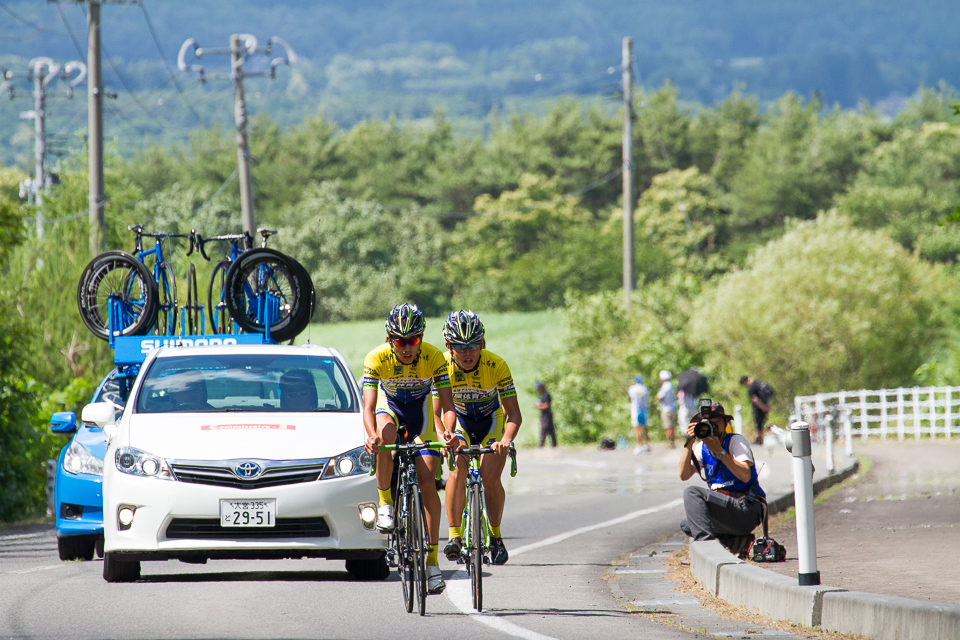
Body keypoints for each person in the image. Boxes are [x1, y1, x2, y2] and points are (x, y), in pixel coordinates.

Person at [362, 303, 456, 595]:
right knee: (384, 436)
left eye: (413, 340)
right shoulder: (376, 357)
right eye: (400, 341)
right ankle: (386, 505)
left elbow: (448, 406)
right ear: (390, 339)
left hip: (421, 416)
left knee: (428, 481)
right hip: (388, 410)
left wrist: (450, 431)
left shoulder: (434, 357)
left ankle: (431, 564)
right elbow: (367, 406)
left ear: (422, 337)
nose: (406, 347)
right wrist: (371, 435)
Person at [436, 310, 521, 566]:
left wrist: (505, 440)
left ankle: (495, 537)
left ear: (482, 343)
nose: (468, 352)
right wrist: (445, 439)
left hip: (491, 423)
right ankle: (455, 537)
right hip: (459, 422)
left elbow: (514, 414)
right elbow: (436, 414)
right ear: (449, 346)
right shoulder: (442, 366)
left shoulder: (496, 365)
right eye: (460, 347)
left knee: (490, 477)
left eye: (474, 345)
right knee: (456, 471)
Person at [678, 400, 765, 558]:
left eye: (716, 423)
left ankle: (706, 547)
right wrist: (688, 443)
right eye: (707, 424)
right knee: (687, 523)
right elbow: (684, 475)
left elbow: (745, 475)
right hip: (726, 511)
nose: (712, 428)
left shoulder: (735, 441)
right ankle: (736, 541)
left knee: (692, 492)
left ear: (726, 423)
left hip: (746, 508)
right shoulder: (701, 447)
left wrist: (720, 452)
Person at [740, 376, 772, 445]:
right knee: (761, 423)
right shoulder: (758, 383)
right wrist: (765, 406)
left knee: (759, 424)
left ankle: (759, 439)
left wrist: (762, 407)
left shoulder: (751, 387)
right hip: (763, 406)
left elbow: (755, 399)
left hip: (759, 408)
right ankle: (760, 439)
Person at [627, 376, 650, 454]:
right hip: (644, 410)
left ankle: (639, 445)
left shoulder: (632, 389)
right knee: (645, 428)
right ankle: (647, 444)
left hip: (635, 411)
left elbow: (630, 398)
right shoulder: (645, 389)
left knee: (637, 429)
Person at [656, 370, 677, 448]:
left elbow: (659, 397)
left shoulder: (665, 386)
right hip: (672, 407)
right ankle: (672, 442)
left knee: (668, 427)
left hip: (666, 408)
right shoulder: (671, 385)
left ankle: (670, 443)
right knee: (672, 426)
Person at [533, 381, 556, 447]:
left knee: (544, 430)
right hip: (545, 416)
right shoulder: (543, 395)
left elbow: (547, 406)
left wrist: (537, 406)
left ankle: (541, 446)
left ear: (541, 387)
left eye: (538, 388)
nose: (538, 390)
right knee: (550, 431)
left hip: (546, 416)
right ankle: (553, 445)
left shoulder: (546, 395)